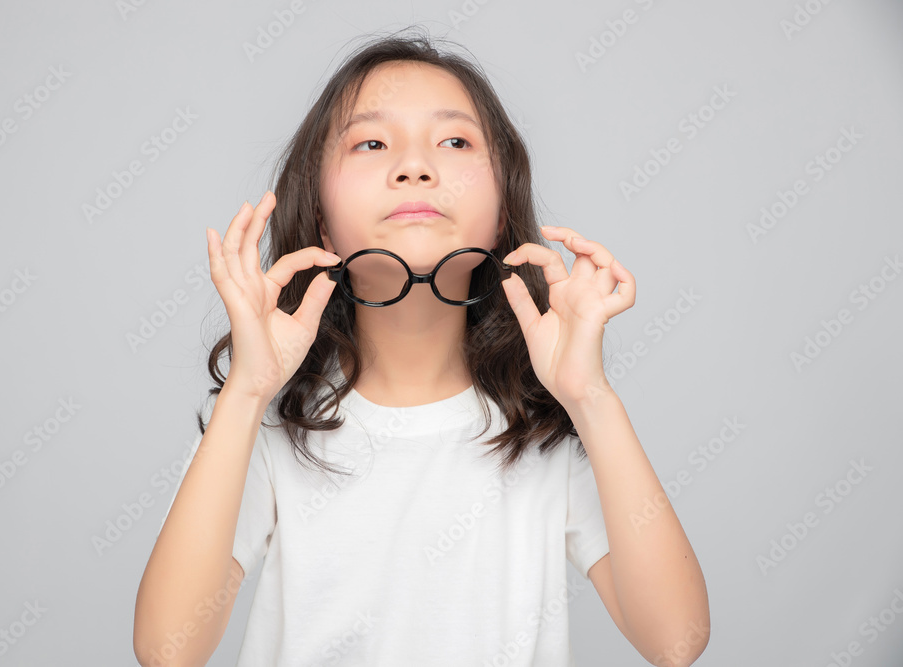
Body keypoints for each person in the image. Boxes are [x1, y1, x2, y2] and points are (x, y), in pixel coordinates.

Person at [134, 27, 709, 667]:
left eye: (455, 141)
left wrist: (590, 396)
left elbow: (676, 642)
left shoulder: (545, 426)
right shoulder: (269, 420)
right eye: (372, 142)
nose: (415, 166)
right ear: (320, 215)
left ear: (500, 214)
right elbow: (166, 651)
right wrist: (246, 391)